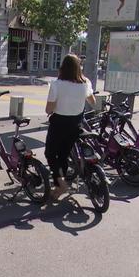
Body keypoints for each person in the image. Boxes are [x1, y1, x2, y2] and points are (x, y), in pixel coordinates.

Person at [44, 54, 95, 200]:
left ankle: (61, 183)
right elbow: (93, 101)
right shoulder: (85, 83)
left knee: (50, 154)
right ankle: (59, 185)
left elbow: (48, 110)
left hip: (58, 123)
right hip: (75, 124)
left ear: (63, 68)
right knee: (64, 155)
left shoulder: (56, 84)